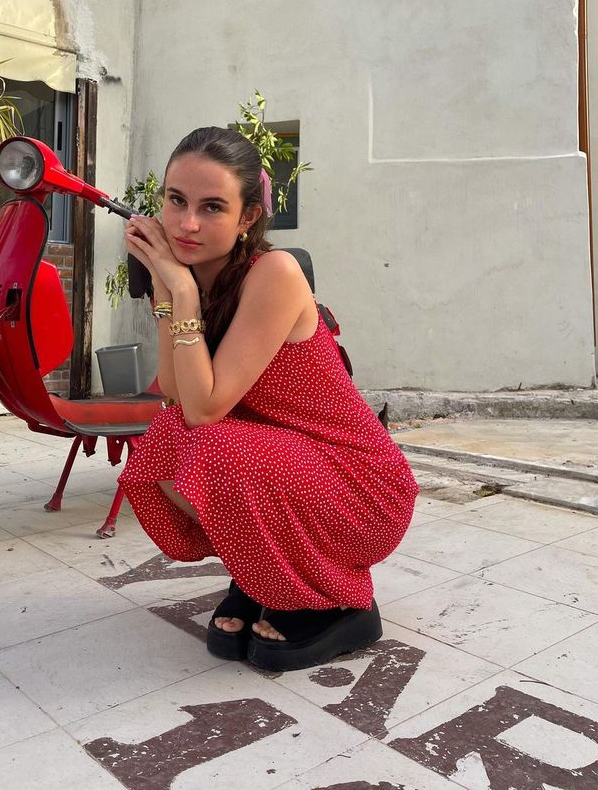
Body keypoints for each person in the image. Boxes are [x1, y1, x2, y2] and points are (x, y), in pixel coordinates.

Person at [119, 126, 418, 671]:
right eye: (176, 201)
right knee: (164, 440)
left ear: (248, 217)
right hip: (288, 469)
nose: (186, 224)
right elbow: (177, 398)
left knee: (212, 449)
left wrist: (180, 291)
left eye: (212, 207)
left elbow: (207, 410)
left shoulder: (274, 273)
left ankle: (340, 602)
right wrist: (169, 288)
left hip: (361, 489)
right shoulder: (192, 279)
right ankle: (263, 576)